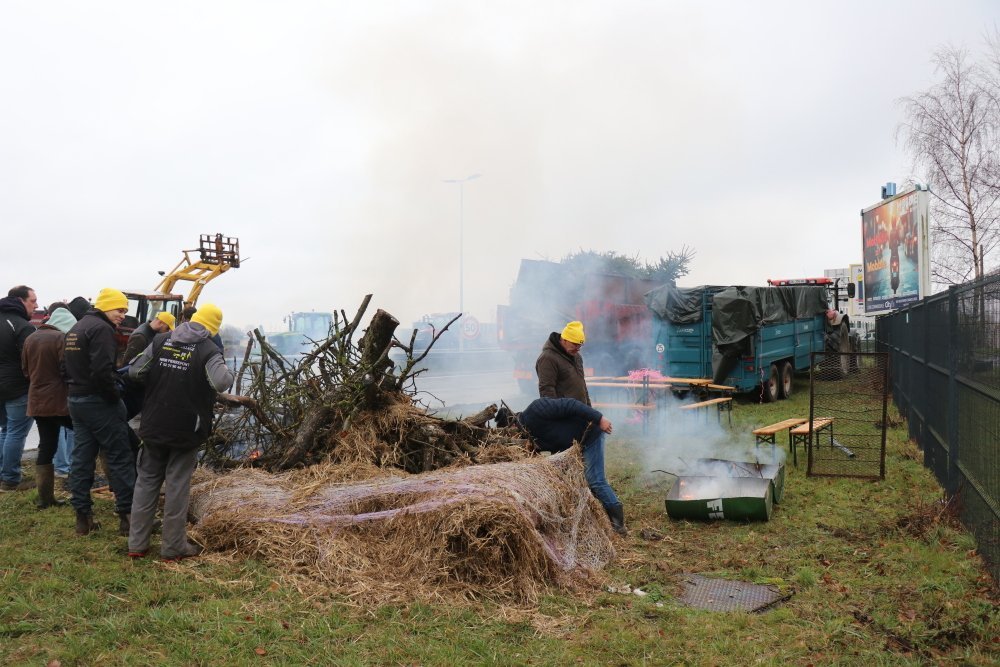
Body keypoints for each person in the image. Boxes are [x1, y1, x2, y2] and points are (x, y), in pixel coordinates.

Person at [128, 303, 234, 561]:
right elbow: (222, 382)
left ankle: (137, 544)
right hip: (187, 427)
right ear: (213, 328)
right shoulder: (209, 349)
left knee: (146, 481)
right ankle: (173, 548)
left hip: (153, 423)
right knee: (176, 486)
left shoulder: (163, 340)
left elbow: (135, 370)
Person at [495, 397, 626, 535]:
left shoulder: (536, 409)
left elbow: (572, 404)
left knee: (595, 479)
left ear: (514, 425)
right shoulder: (528, 437)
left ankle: (619, 525)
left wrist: (599, 418)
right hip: (570, 447)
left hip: (588, 434)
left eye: (512, 433)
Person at [64, 288, 136, 536]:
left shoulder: (77, 327)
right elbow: (102, 371)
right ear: (106, 307)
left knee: (82, 458)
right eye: (119, 310)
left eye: (125, 311)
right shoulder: (102, 329)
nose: (122, 316)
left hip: (76, 400)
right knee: (119, 456)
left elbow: (64, 367)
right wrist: (114, 396)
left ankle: (83, 518)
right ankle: (128, 518)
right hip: (99, 402)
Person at [21, 306, 76, 508]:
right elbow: (67, 369)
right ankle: (78, 487)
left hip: (37, 401)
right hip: (60, 401)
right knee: (83, 437)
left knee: (46, 445)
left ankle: (45, 499)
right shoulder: (61, 338)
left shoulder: (31, 338)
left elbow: (25, 370)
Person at [0, 285, 39, 491]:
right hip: (17, 387)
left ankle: (3, 474)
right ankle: (10, 479)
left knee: (6, 430)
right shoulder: (22, 325)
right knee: (15, 432)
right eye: (33, 301)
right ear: (20, 301)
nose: (36, 305)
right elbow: (31, 360)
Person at [535, 320, 591, 405]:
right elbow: (547, 391)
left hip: (580, 413)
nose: (578, 348)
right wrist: (557, 416)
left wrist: (589, 410)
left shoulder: (577, 357)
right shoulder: (548, 358)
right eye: (575, 344)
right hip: (564, 415)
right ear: (564, 340)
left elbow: (582, 386)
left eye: (580, 345)